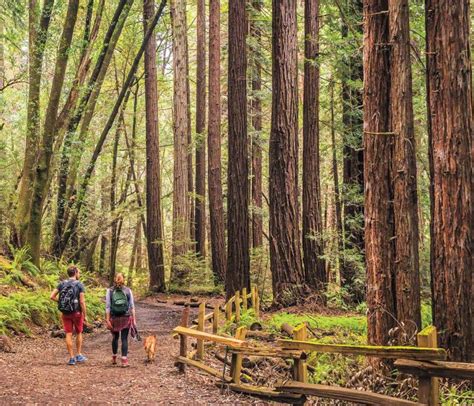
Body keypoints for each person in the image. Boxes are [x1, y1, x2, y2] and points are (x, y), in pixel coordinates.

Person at [50, 265, 88, 366]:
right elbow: (82, 301)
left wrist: (62, 302)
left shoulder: (62, 283)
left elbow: (51, 296)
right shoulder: (79, 285)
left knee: (68, 334)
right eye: (78, 272)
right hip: (77, 313)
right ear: (75, 273)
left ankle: (71, 358)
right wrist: (85, 314)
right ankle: (79, 355)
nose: (79, 274)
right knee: (79, 332)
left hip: (65, 312)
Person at [106, 273, 136, 367]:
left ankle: (114, 358)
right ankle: (124, 361)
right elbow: (132, 307)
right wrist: (134, 320)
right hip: (125, 317)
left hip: (114, 318)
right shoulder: (128, 290)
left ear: (115, 279)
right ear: (124, 279)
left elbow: (107, 307)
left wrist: (107, 320)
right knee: (124, 339)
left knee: (115, 337)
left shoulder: (109, 291)